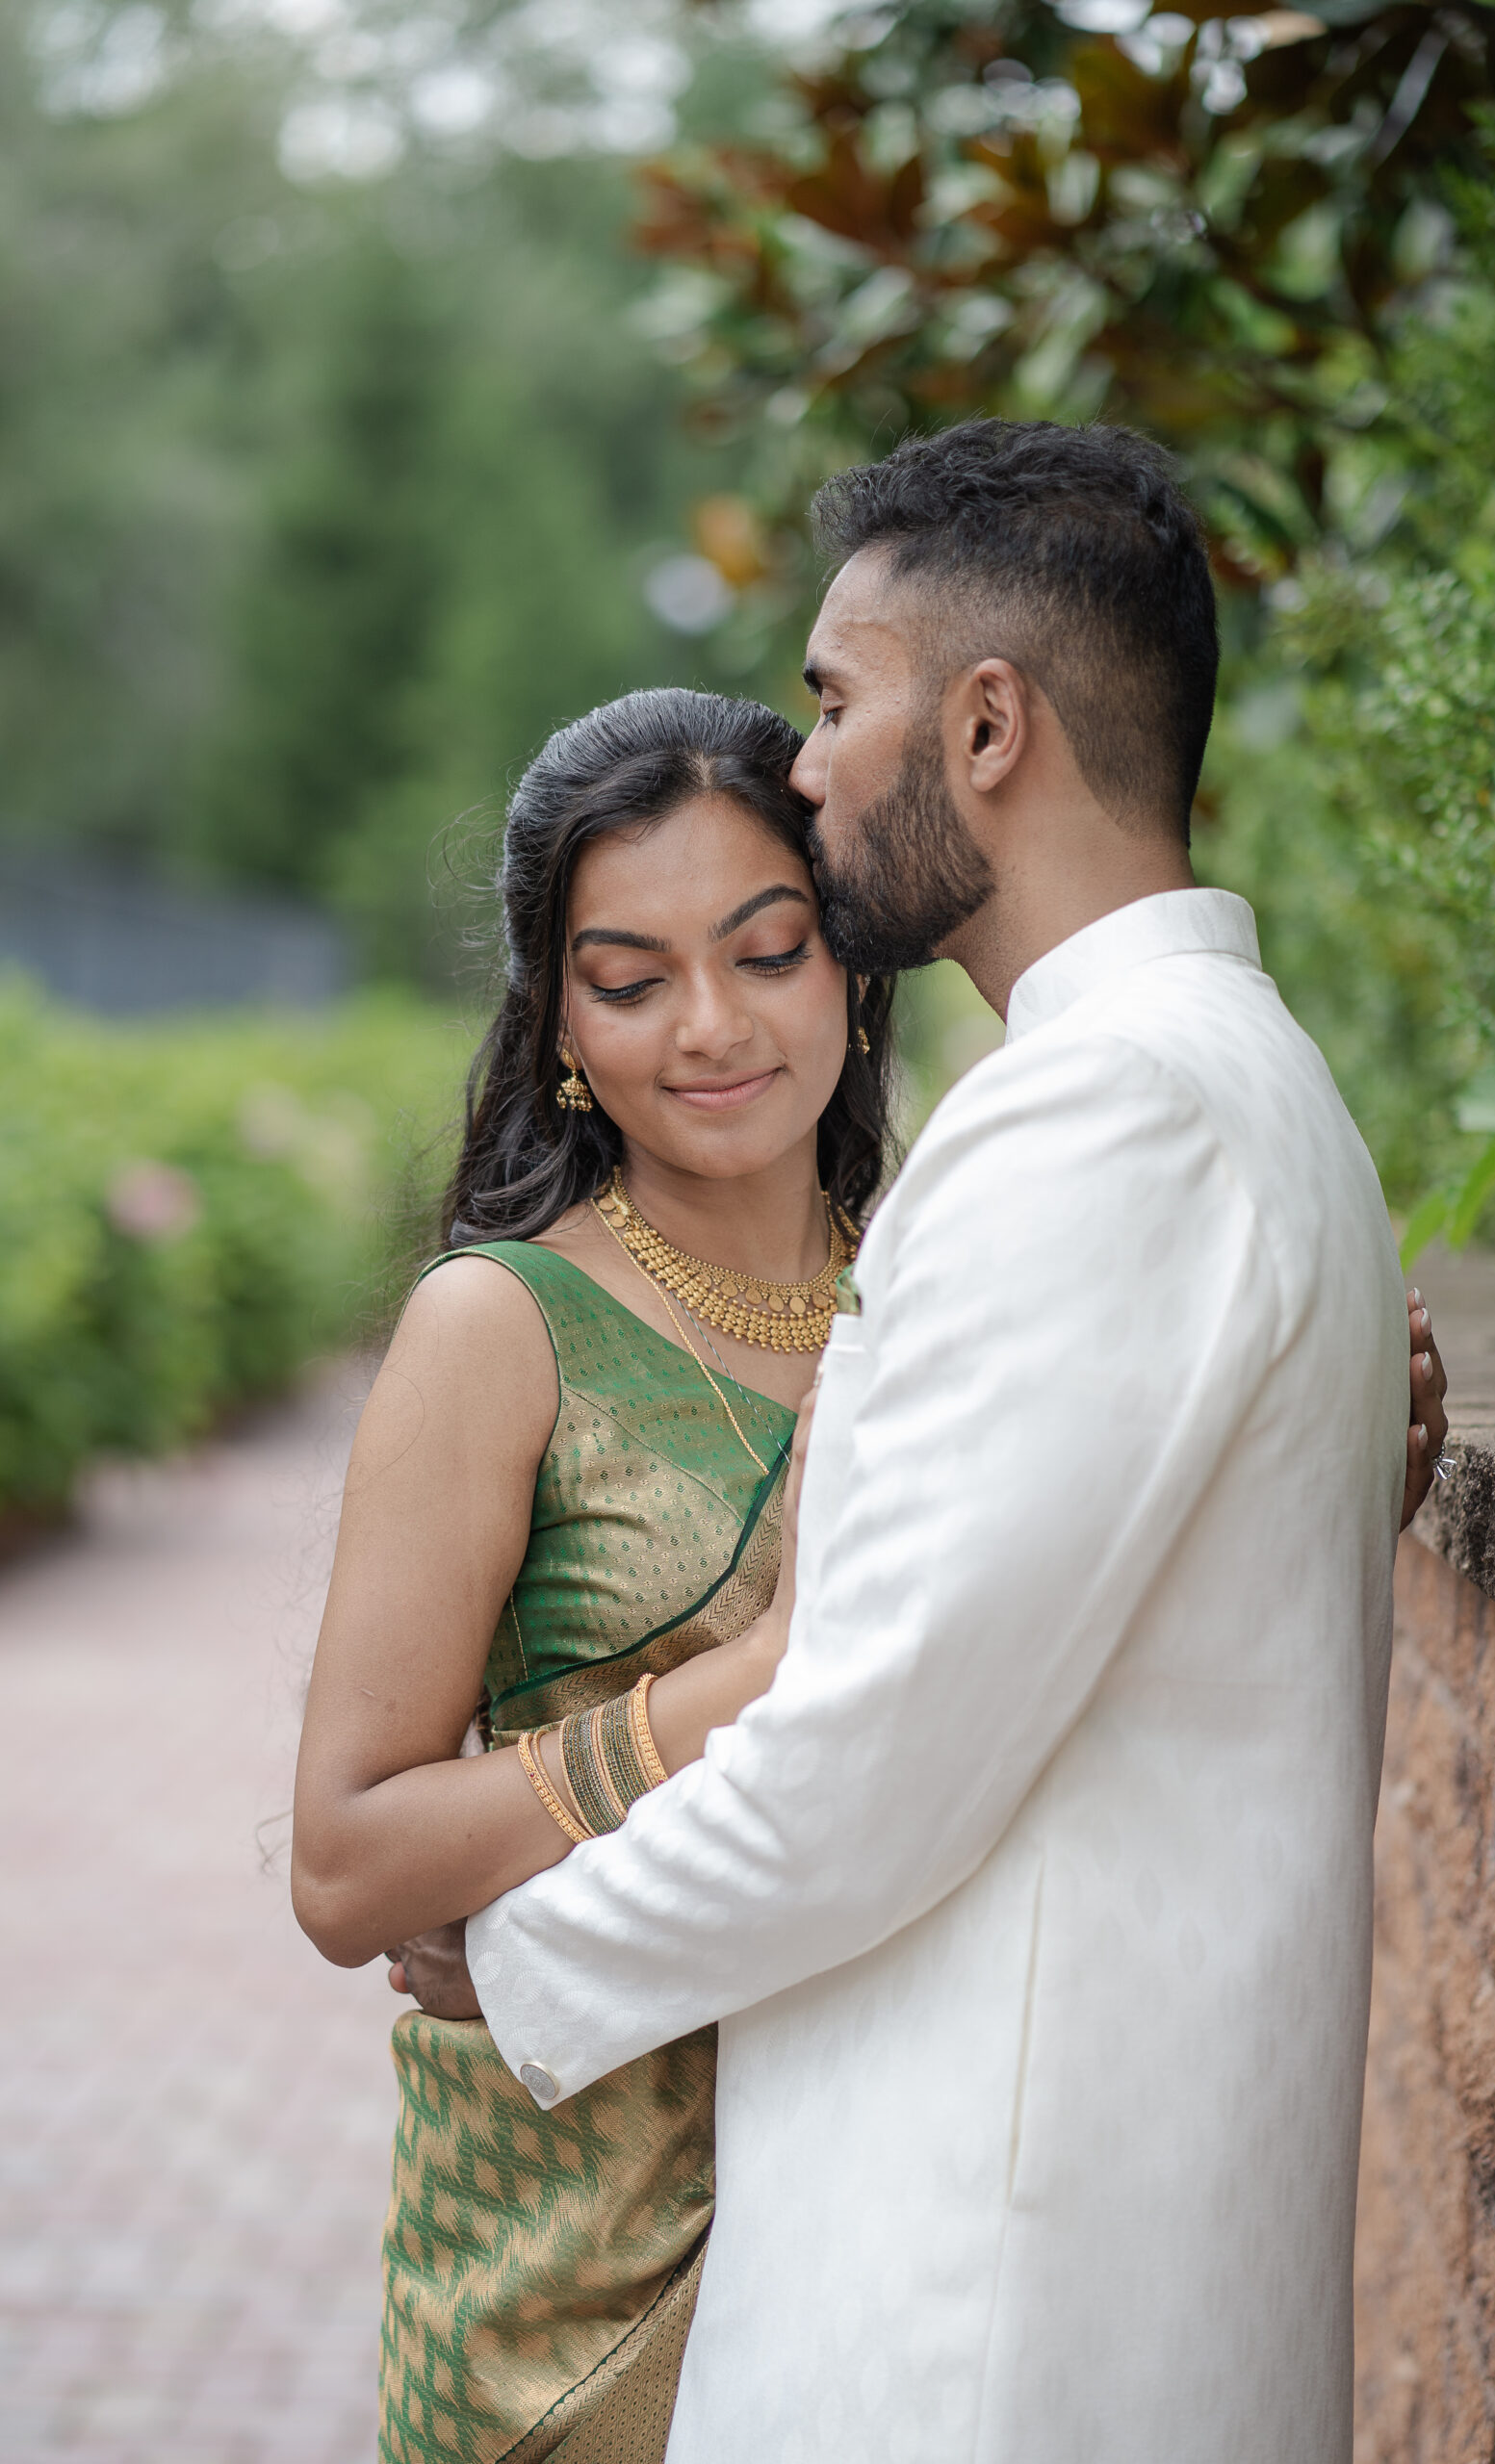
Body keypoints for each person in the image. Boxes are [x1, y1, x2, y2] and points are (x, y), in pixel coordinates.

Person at [456, 419, 1453, 2464]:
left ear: (985, 721)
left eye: (837, 698)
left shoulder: (1110, 1117)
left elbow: (872, 1748)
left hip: (976, 2307)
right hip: (1054, 2245)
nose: (802, 764)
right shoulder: (1213, 1083)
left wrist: (516, 1948)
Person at [291, 687, 899, 2460]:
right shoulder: (501, 1328)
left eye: (767, 951)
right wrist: (743, 1683)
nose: (709, 1028)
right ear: (557, 1021)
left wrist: (1326, 1470)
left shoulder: (947, 1290)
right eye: (627, 982)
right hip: (568, 2280)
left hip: (885, 2196)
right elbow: (344, 1866)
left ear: (852, 972)